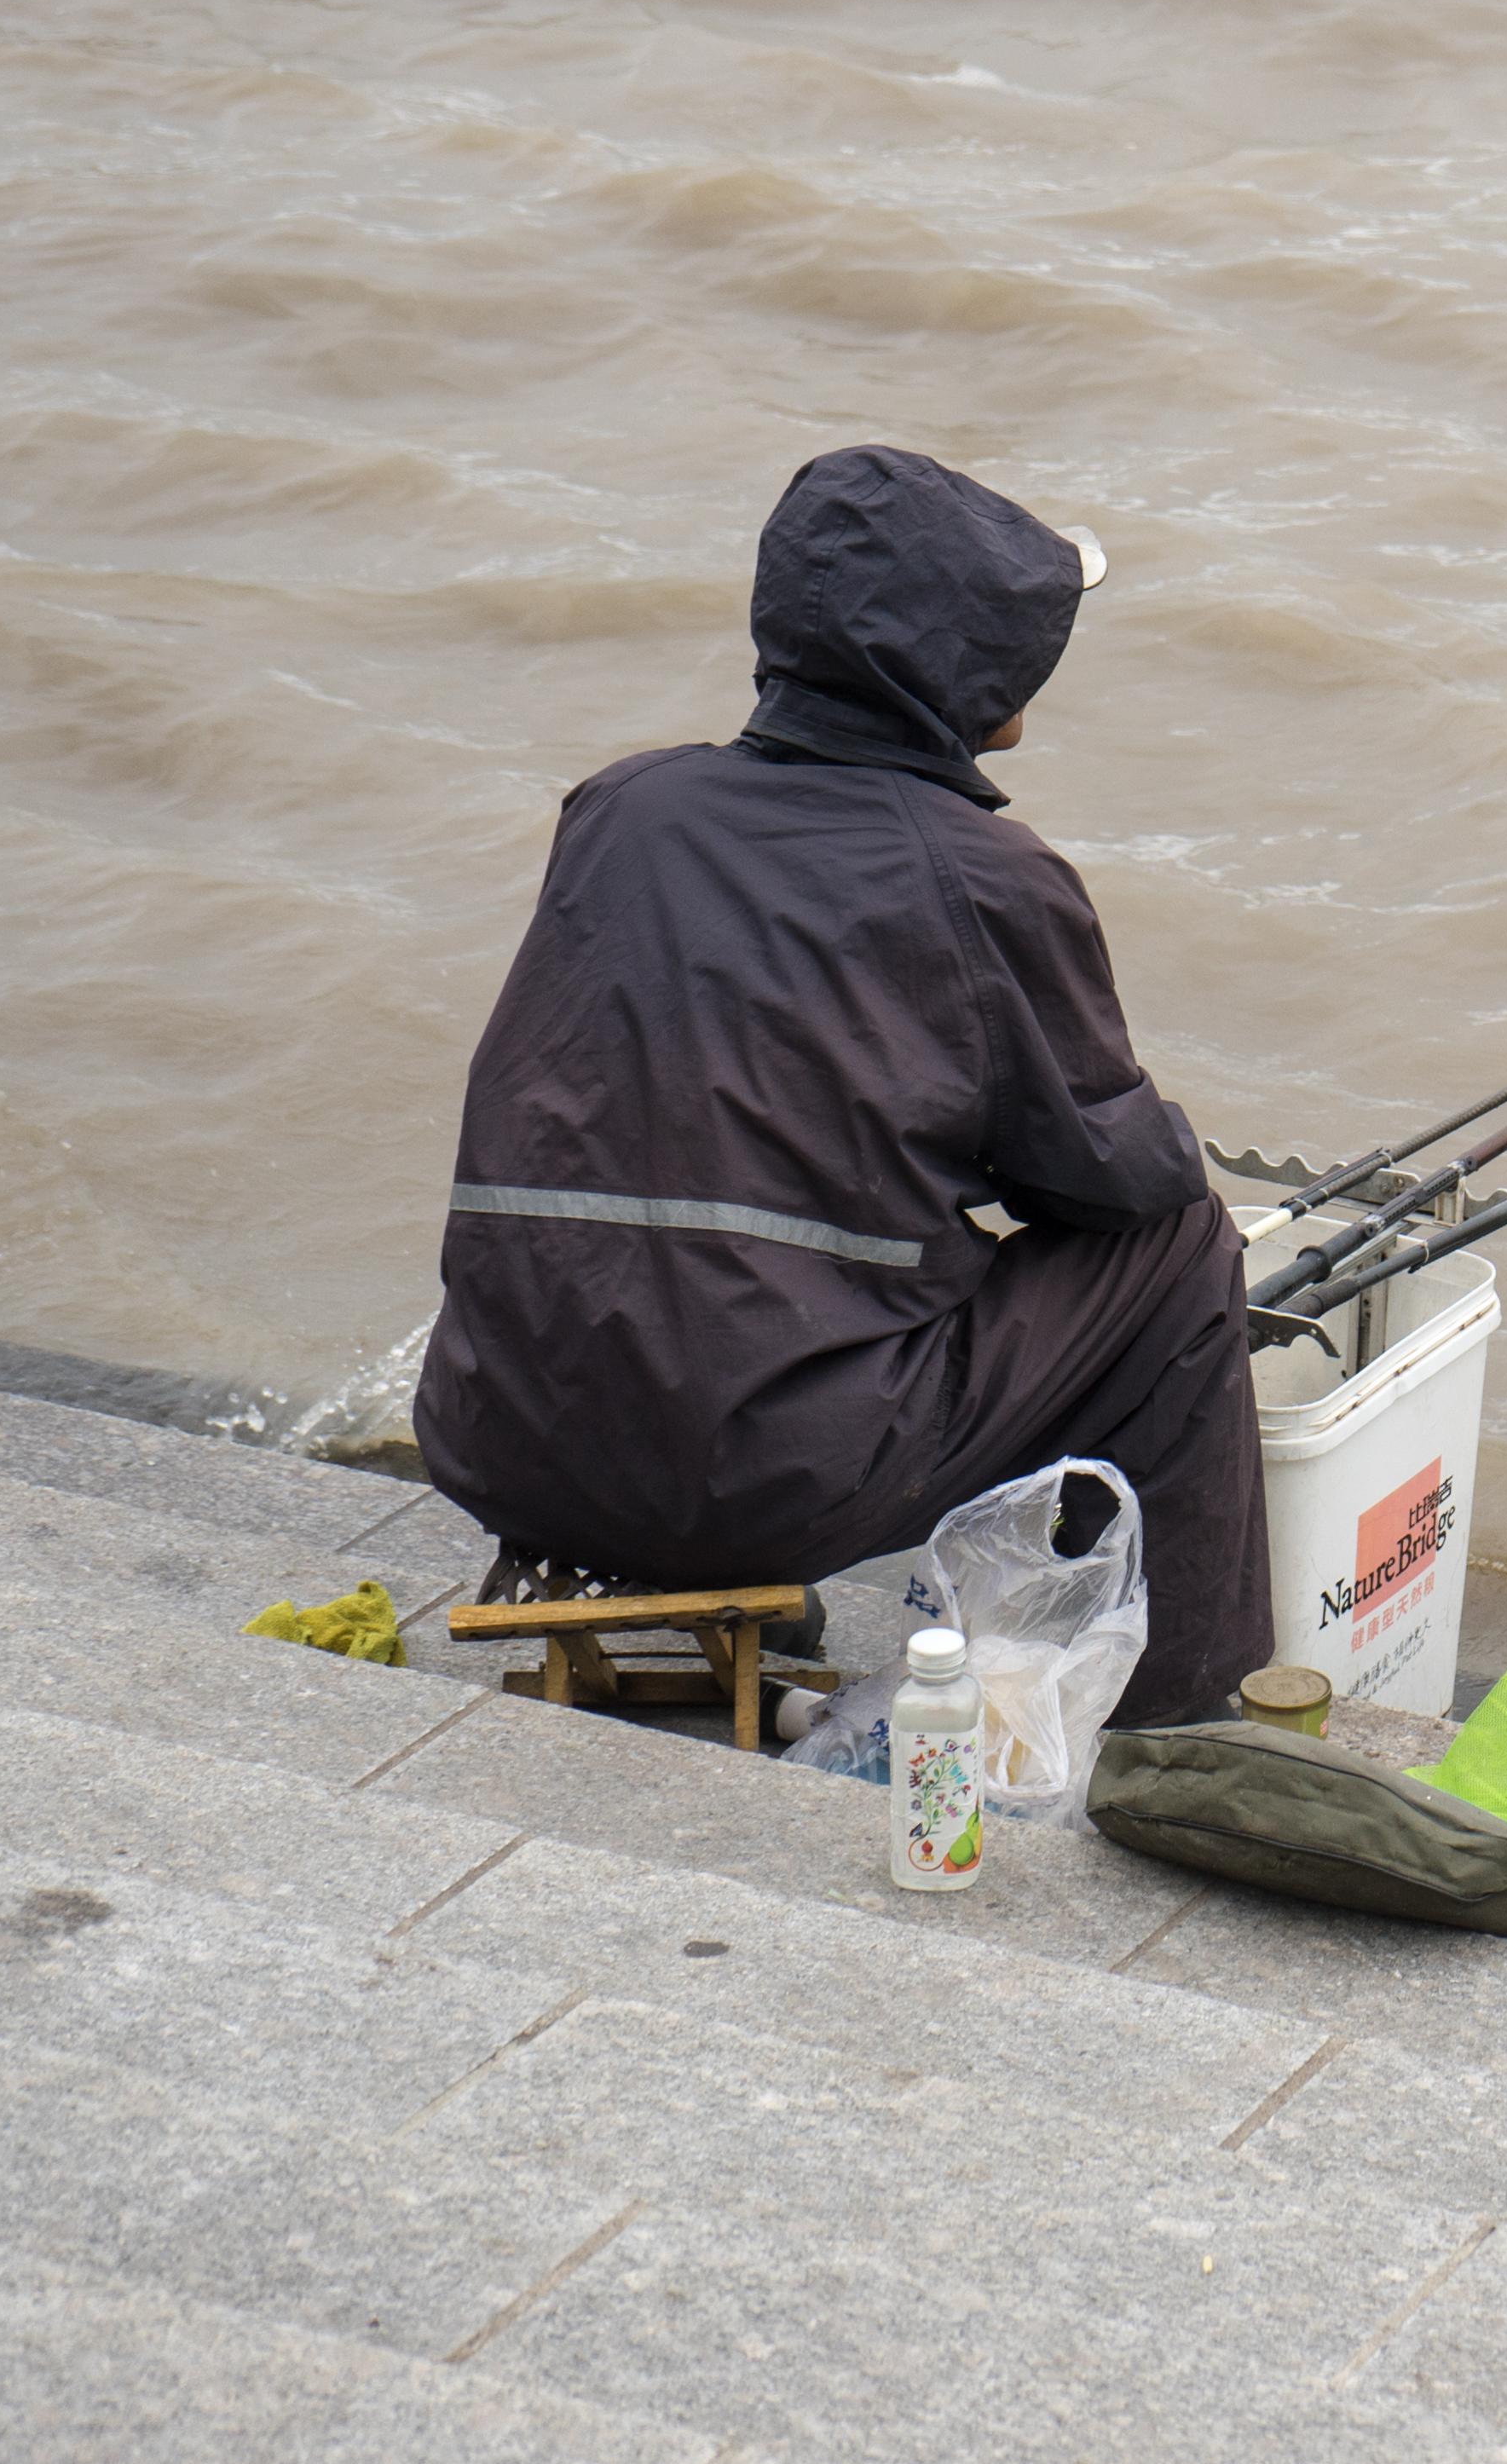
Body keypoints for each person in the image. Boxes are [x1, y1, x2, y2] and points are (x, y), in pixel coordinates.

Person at [413, 442, 1273, 1728]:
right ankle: (1184, 1717)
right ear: (974, 667)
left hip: (499, 1437)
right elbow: (1112, 1177)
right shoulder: (983, 875)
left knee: (712, 1254)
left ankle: (685, 1535)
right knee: (1181, 1248)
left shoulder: (620, 808)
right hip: (764, 1478)